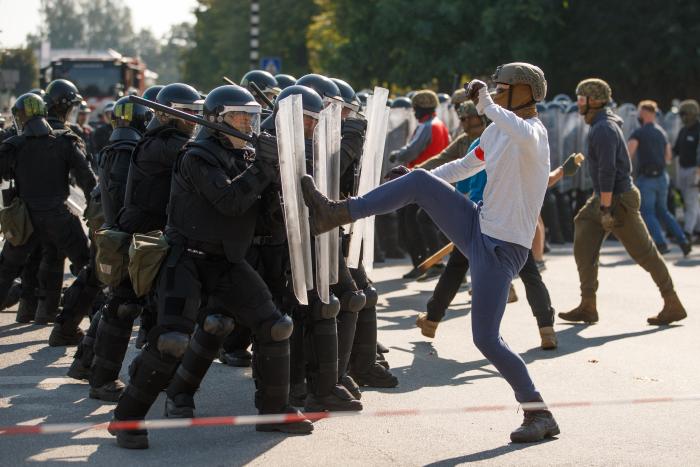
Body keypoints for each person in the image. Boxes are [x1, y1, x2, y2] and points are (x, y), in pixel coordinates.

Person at [301, 62, 560, 443]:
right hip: (478, 224)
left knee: (486, 339)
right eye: (495, 88)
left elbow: (515, 127)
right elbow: (464, 166)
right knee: (420, 180)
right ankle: (337, 213)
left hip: (504, 246)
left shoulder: (532, 133)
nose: (496, 92)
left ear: (524, 93)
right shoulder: (497, 130)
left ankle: (540, 414)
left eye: (502, 88)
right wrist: (411, 178)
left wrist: (486, 103)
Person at [110, 85, 313, 450]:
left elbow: (263, 220)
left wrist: (281, 177)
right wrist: (265, 168)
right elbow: (229, 201)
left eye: (252, 117)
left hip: (227, 260)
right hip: (184, 259)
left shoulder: (247, 155)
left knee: (276, 325)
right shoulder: (195, 156)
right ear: (217, 121)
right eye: (239, 117)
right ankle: (127, 418)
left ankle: (274, 411)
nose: (249, 125)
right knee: (171, 341)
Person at [66, 83, 203, 382]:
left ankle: (90, 364)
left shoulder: (157, 142)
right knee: (124, 306)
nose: (194, 119)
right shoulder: (163, 145)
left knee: (130, 305)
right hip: (142, 235)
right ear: (166, 116)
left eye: (197, 113)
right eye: (188, 113)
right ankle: (104, 376)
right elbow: (194, 156)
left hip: (150, 234)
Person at [559, 79, 687, 326]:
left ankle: (672, 302)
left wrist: (606, 208)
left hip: (617, 200)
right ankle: (588, 305)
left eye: (582, 99)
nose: (578, 104)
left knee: (645, 253)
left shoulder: (603, 129)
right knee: (583, 230)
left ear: (594, 101)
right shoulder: (600, 125)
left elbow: (608, 170)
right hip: (605, 197)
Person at [0, 93, 96, 333]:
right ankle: (98, 322)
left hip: (25, 220)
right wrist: (95, 210)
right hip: (59, 216)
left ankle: (46, 312)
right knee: (88, 267)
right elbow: (88, 180)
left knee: (6, 269)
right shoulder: (66, 141)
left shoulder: (13, 145)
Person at [389, 90, 451, 279]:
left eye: (415, 109)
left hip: (419, 181)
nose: (414, 113)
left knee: (411, 222)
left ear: (420, 109)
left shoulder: (427, 126)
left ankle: (423, 263)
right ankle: (431, 262)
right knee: (423, 221)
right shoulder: (441, 125)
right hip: (435, 180)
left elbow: (412, 151)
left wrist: (396, 155)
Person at [628, 100, 691, 256]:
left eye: (639, 112)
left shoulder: (638, 133)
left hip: (647, 178)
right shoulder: (661, 132)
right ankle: (683, 241)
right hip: (662, 177)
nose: (638, 115)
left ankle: (661, 243)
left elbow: (628, 154)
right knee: (663, 211)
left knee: (648, 212)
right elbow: (668, 157)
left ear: (645, 113)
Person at [673, 99, 700, 241]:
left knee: (691, 201)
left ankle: (687, 234)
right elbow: (675, 150)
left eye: (684, 114)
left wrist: (698, 173)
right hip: (682, 169)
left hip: (695, 170)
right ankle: (697, 230)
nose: (682, 117)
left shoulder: (698, 129)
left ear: (691, 114)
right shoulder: (683, 130)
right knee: (690, 201)